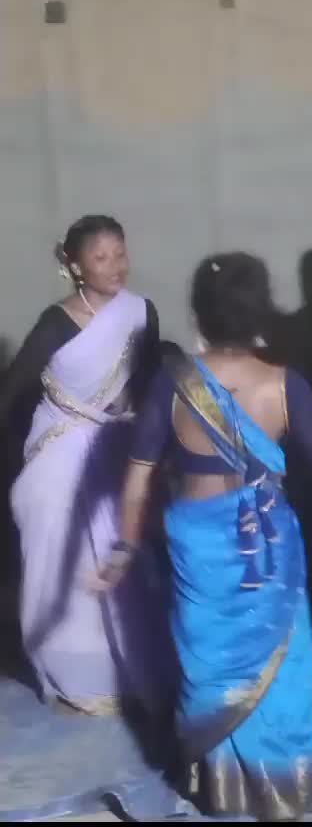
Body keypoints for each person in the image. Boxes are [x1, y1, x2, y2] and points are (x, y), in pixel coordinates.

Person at [97, 251, 312, 821]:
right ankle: (283, 787)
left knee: (209, 664)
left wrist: (126, 545)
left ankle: (223, 787)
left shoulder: (174, 381)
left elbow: (137, 476)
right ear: (261, 312)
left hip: (198, 544)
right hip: (268, 546)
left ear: (200, 313)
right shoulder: (285, 383)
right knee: (279, 666)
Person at [1, 214, 164, 715]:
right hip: (59, 457)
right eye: (101, 257)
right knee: (65, 572)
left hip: (118, 452)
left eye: (120, 253)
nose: (115, 266)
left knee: (125, 566)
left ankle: (129, 670)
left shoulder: (140, 311)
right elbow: (11, 390)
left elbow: (151, 385)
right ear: (75, 265)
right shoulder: (56, 322)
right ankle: (76, 678)